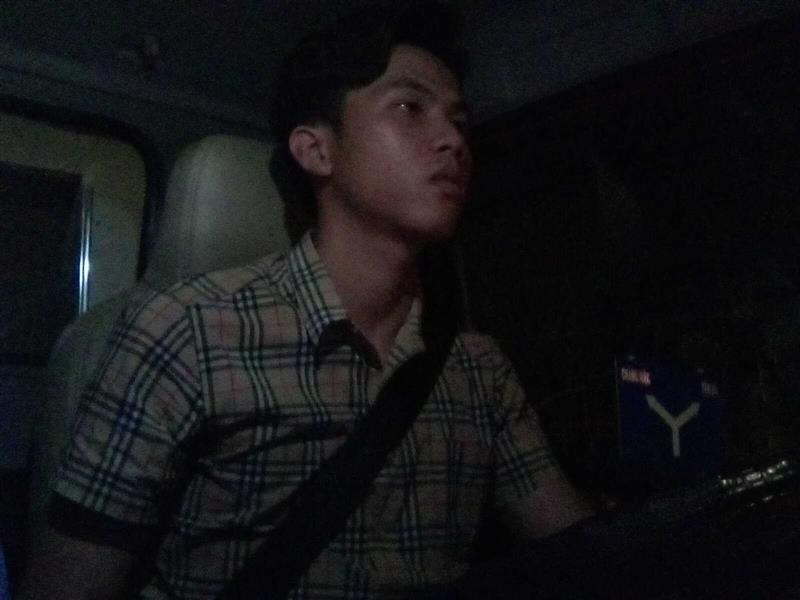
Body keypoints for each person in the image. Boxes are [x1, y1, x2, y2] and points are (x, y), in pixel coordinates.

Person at [21, 2, 592, 598]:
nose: (453, 140)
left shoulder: (477, 370)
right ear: (317, 150)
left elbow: (575, 553)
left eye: (458, 120)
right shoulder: (186, 333)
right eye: (409, 108)